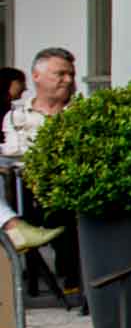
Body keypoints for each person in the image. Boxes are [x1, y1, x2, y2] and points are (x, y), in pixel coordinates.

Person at [1, 49, 81, 286]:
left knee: (60, 214)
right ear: (37, 76)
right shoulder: (16, 116)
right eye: (61, 73)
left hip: (66, 190)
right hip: (22, 190)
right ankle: (14, 226)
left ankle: (14, 229)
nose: (68, 80)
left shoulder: (82, 114)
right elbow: (14, 154)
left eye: (71, 74)